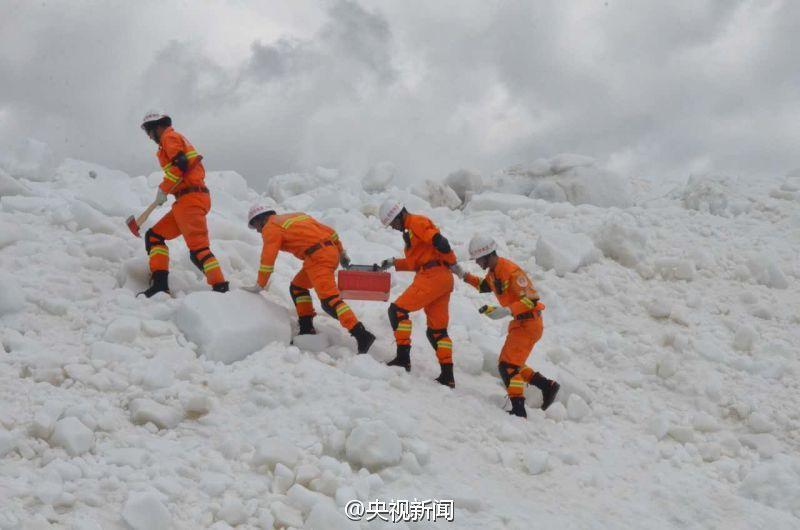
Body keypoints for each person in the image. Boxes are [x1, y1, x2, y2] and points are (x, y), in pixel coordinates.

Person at [452, 234, 560, 417]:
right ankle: (546, 386)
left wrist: (506, 310)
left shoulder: (511, 271)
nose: (477, 263)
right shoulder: (494, 273)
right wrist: (462, 274)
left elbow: (531, 300)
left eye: (478, 259)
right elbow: (483, 286)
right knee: (512, 364)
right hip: (521, 323)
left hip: (529, 323)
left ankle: (519, 408)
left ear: (487, 255)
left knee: (508, 366)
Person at [246, 205, 376, 354]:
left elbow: (268, 257)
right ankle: (306, 327)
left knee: (330, 302)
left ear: (261, 219)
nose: (257, 230)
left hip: (318, 257)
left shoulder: (271, 226)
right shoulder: (296, 216)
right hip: (324, 254)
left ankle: (362, 335)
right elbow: (331, 233)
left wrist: (260, 284)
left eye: (255, 225)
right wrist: (341, 253)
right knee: (297, 287)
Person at [138, 110, 228, 297]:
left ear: (158, 126)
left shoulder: (169, 137)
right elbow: (181, 168)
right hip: (186, 201)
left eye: (149, 131)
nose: (149, 136)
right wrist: (168, 190)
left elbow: (181, 165)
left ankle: (221, 289)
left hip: (191, 199)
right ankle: (160, 286)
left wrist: (164, 188)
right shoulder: (171, 140)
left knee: (199, 250)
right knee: (154, 236)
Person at [376, 199, 456, 387]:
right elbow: (416, 262)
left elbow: (440, 242)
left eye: (393, 223)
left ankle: (403, 359)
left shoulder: (416, 222)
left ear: (400, 215)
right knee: (437, 331)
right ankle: (448, 376)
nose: (394, 228)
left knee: (397, 311)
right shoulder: (410, 232)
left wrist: (448, 253)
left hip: (432, 276)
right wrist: (394, 262)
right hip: (443, 278)